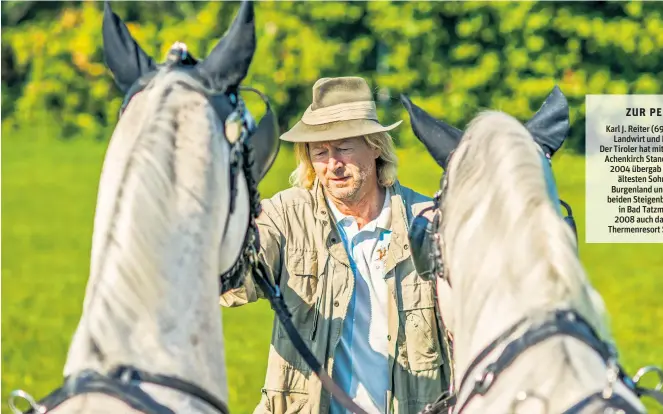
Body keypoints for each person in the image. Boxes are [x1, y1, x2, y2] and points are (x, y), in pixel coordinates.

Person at [220, 76, 453, 414]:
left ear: (375, 146)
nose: (333, 165)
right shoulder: (284, 216)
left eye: (344, 147)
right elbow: (233, 284)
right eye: (320, 152)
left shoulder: (427, 223)